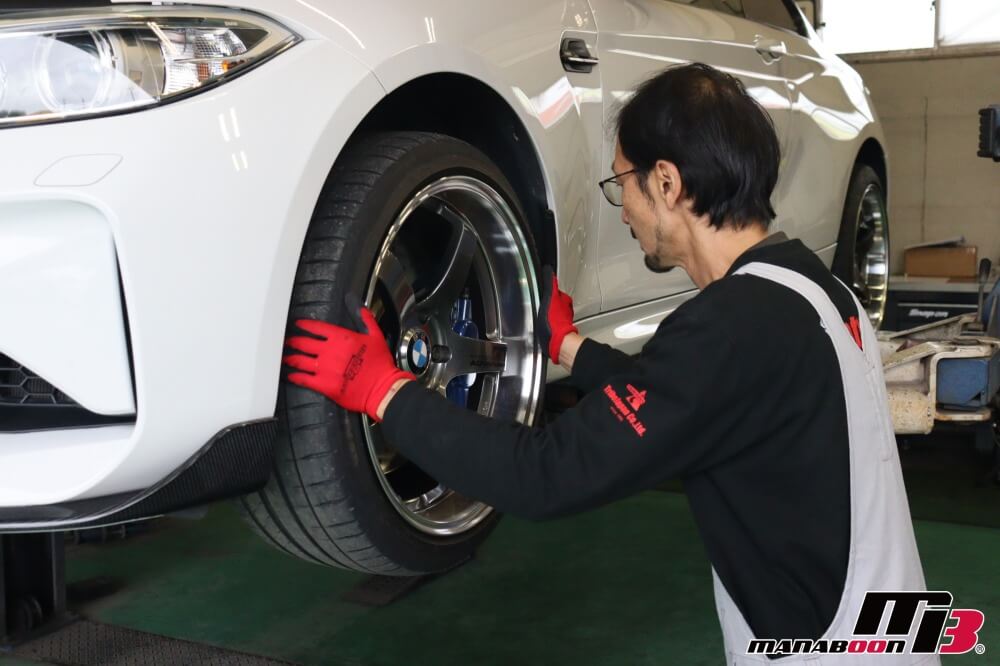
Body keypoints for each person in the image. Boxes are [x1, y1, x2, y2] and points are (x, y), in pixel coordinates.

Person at [283, 63, 936, 664]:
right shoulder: (815, 292)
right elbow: (685, 403)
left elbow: (545, 476)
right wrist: (568, 346)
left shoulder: (731, 327)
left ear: (667, 182)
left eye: (623, 182)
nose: (622, 208)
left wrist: (384, 391)